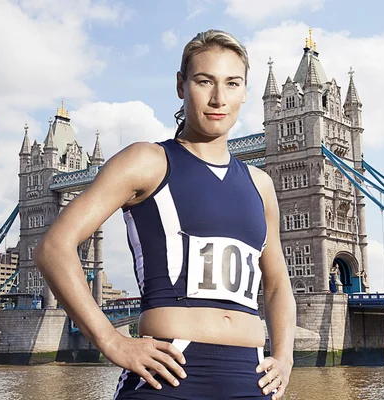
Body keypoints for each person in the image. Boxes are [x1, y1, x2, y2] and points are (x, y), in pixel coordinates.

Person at [34, 29, 296, 400]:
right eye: (205, 81)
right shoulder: (147, 161)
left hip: (250, 377)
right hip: (168, 377)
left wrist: (284, 357)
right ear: (181, 85)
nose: (219, 97)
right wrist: (111, 339)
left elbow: (276, 284)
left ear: (245, 91)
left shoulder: (261, 184)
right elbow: (53, 247)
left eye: (232, 83)